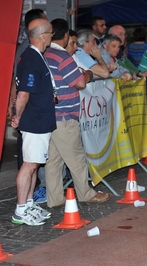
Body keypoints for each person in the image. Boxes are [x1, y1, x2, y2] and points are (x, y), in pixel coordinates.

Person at [44, 19, 111, 208]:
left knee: (54, 161)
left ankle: (55, 198)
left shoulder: (46, 54)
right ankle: (86, 193)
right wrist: (88, 75)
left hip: (51, 114)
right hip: (65, 115)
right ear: (65, 35)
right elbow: (80, 82)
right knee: (77, 157)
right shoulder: (62, 56)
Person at [11, 18, 56, 225]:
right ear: (43, 35)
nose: (51, 38)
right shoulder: (31, 58)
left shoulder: (35, 56)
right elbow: (23, 94)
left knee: (34, 164)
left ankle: (28, 204)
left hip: (40, 118)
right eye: (51, 34)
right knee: (29, 165)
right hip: (34, 120)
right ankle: (20, 210)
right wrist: (17, 115)